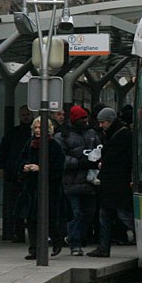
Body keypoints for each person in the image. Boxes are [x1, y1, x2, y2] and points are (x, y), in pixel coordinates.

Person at [15, 117, 66, 260]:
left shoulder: (54, 146)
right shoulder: (29, 144)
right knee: (31, 220)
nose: (37, 131)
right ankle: (34, 250)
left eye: (40, 128)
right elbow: (21, 159)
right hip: (31, 189)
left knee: (49, 218)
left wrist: (41, 168)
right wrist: (24, 166)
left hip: (50, 190)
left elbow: (58, 168)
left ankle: (56, 240)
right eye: (35, 128)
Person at [87, 107, 135, 258]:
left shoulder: (121, 135)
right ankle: (103, 247)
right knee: (109, 215)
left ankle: (103, 247)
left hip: (116, 183)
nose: (100, 125)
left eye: (103, 122)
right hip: (113, 183)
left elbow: (120, 158)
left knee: (121, 215)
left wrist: (104, 163)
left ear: (110, 121)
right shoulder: (118, 133)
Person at [55, 105, 101, 256]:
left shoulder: (91, 133)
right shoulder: (63, 135)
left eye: (85, 118)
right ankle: (75, 243)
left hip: (88, 180)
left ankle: (75, 238)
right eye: (82, 118)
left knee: (89, 212)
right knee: (75, 213)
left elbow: (100, 148)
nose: (85, 121)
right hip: (71, 181)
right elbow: (60, 158)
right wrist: (80, 162)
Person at [0, 105, 34, 242]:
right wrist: (2, 167)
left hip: (29, 174)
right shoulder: (13, 133)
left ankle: (24, 233)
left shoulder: (33, 133)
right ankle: (18, 232)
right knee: (16, 204)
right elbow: (4, 150)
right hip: (15, 174)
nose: (26, 116)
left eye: (28, 114)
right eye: (23, 114)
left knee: (28, 204)